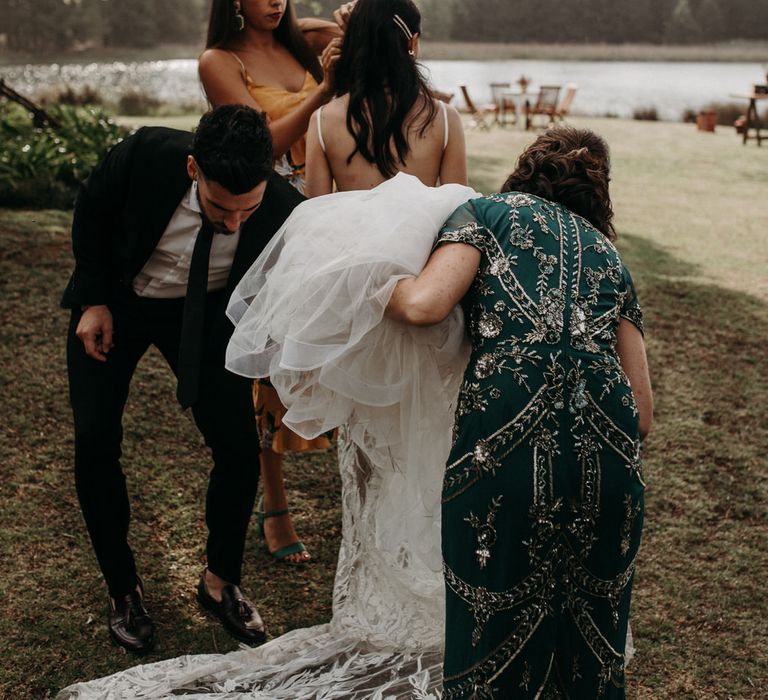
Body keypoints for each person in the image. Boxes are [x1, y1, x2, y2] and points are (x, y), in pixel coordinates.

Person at [385, 126, 653, 697]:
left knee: (492, 647)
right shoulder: (613, 260)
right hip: (606, 474)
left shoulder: (485, 214)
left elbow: (424, 304)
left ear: (526, 167)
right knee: (588, 654)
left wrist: (362, 286)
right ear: (599, 195)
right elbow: (644, 413)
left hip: (503, 464)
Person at [62, 104, 304, 656]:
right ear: (194, 168)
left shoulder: (286, 207)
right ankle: (124, 590)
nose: (236, 222)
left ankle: (220, 581)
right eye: (222, 208)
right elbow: (92, 210)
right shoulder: (147, 154)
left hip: (204, 316)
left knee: (239, 450)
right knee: (96, 441)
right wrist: (94, 298)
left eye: (250, 209)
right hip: (118, 300)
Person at [199, 0, 349, 565]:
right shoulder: (220, 61)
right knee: (270, 366)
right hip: (265, 219)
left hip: (328, 209)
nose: (274, 1)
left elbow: (370, 33)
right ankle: (276, 503)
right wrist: (324, 89)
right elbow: (259, 148)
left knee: (340, 349)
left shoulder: (301, 44)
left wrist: (349, 26)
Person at [305, 0, 466, 196]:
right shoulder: (445, 119)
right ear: (412, 42)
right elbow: (460, 214)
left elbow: (315, 212)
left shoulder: (322, 121)